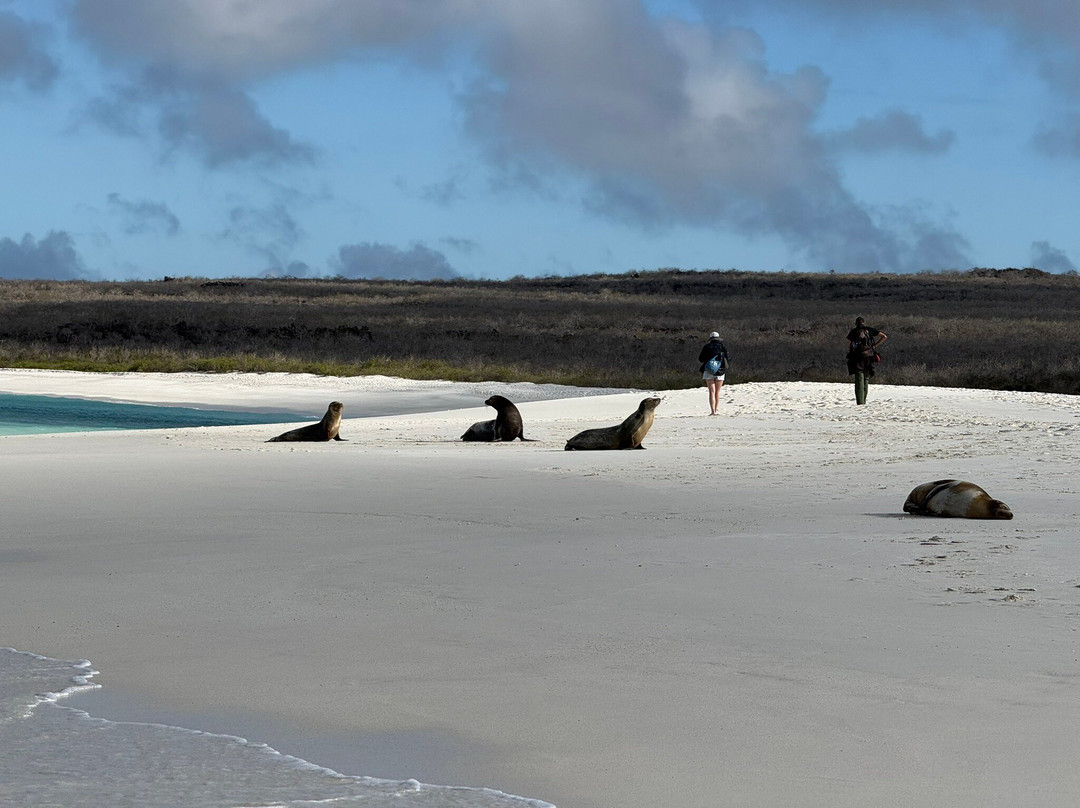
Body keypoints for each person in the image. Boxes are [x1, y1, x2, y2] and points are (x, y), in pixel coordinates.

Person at [845, 317, 888, 405]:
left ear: (856, 323)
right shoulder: (870, 330)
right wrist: (874, 346)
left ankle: (860, 402)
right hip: (869, 356)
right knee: (866, 379)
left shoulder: (853, 331)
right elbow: (884, 336)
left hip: (857, 358)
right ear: (864, 323)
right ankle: (863, 401)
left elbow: (848, 345)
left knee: (859, 378)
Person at [698, 331, 729, 415]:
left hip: (708, 370)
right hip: (720, 370)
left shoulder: (706, 347)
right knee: (717, 392)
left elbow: (700, 359)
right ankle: (717, 409)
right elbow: (727, 359)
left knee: (711, 391)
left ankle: (712, 411)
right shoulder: (723, 347)